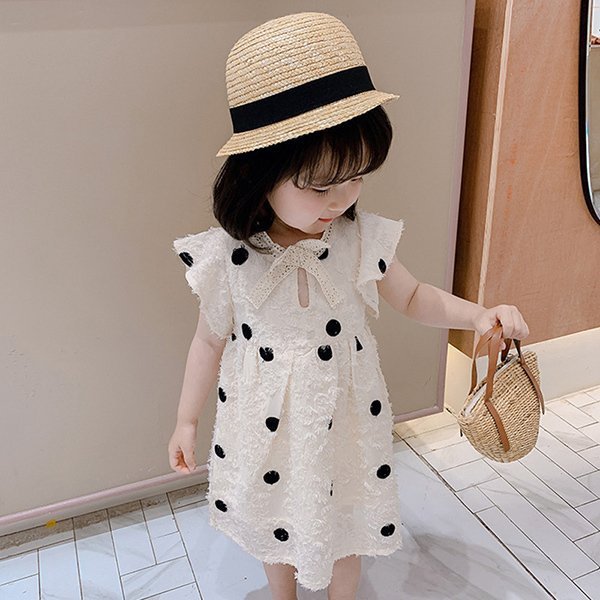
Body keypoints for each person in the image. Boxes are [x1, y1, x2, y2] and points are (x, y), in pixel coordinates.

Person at [167, 12, 530, 600]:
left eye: (357, 177)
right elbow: (208, 341)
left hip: (345, 416)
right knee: (275, 526)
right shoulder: (228, 258)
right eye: (319, 186)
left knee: (348, 527)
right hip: (264, 424)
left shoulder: (358, 239)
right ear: (260, 175)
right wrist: (186, 420)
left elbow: (413, 295)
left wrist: (477, 315)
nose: (340, 200)